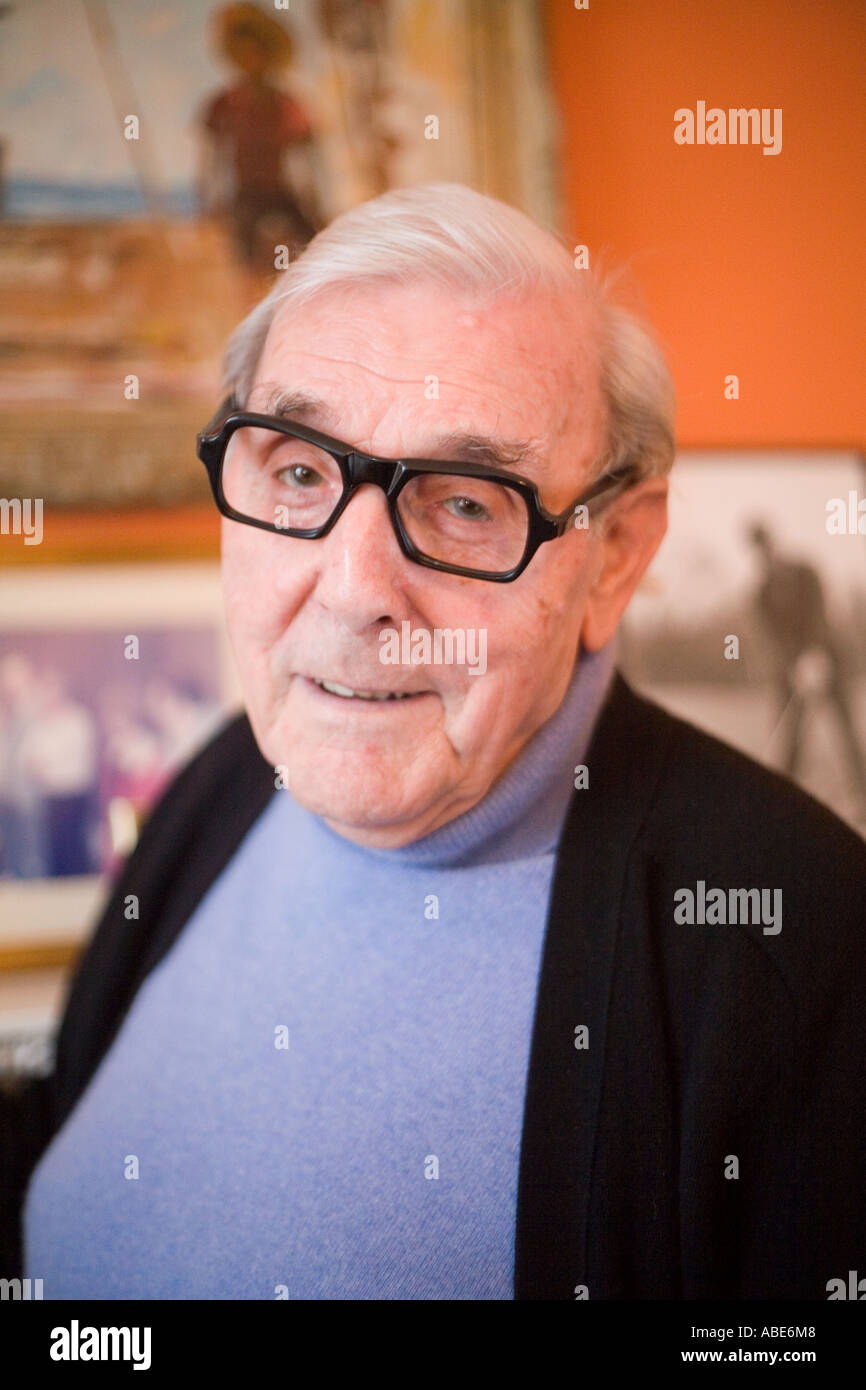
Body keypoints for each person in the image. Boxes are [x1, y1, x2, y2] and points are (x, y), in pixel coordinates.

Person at [3, 183, 864, 1300]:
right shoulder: (224, 779)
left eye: (465, 501)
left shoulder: (797, 943)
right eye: (301, 469)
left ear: (613, 557)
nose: (354, 591)